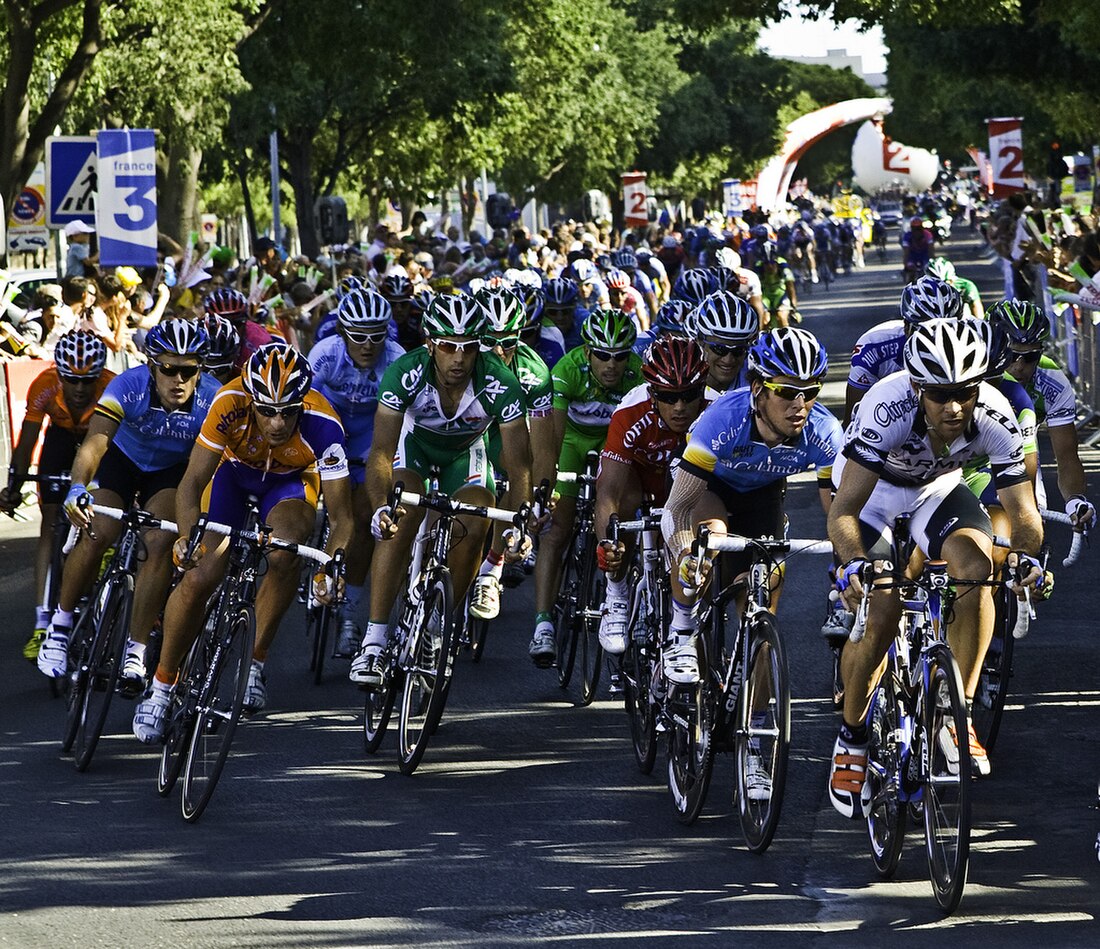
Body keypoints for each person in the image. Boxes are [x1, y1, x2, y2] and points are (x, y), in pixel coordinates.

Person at [827, 319, 1044, 817]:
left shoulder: (995, 413)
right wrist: (857, 563)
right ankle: (852, 735)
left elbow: (1023, 509)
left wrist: (1028, 558)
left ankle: (956, 715)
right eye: (940, 394)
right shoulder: (888, 407)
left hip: (935, 489)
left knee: (978, 565)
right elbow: (842, 512)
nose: (953, 407)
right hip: (872, 494)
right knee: (882, 603)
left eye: (964, 392)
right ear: (918, 388)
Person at [131, 342, 353, 740]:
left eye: (288, 411)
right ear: (251, 399)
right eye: (266, 410)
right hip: (232, 476)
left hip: (289, 484)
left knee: (286, 552)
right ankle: (161, 688)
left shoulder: (325, 424)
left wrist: (329, 565)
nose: (276, 423)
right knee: (200, 576)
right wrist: (186, 537)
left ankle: (254, 663)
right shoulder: (229, 399)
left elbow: (341, 517)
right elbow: (191, 483)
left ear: (303, 403)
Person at [349, 293, 531, 689]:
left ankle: (438, 624)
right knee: (402, 515)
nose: (459, 359)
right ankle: (375, 640)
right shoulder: (405, 372)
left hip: (465, 455)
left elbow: (519, 468)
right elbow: (380, 452)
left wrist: (521, 523)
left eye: (468, 348)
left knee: (477, 518)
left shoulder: (501, 381)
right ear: (430, 343)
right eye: (448, 346)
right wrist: (381, 506)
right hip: (414, 449)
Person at [38, 319, 218, 695]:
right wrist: (76, 488)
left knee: (159, 543)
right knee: (99, 529)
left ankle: (134, 651)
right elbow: (94, 443)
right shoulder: (128, 386)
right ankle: (60, 624)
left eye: (189, 370)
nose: (178, 380)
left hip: (169, 473)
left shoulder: (210, 401)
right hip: (121, 462)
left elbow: (208, 472)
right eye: (169, 369)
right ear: (153, 366)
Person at [661, 328, 840, 688]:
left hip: (763, 493)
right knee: (711, 537)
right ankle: (681, 630)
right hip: (710, 487)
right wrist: (685, 553)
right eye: (787, 392)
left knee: (761, 601)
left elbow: (839, 512)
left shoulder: (826, 432)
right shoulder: (723, 420)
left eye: (811, 393)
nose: (800, 405)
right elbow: (678, 508)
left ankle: (754, 727)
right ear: (757, 388)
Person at [529, 308, 643, 666]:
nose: (611, 365)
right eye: (603, 356)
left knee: (625, 520)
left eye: (620, 356)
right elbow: (553, 436)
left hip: (615, 445)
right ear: (588, 351)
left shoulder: (638, 373)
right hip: (572, 443)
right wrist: (550, 485)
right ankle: (543, 623)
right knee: (558, 529)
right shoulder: (566, 369)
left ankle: (621, 598)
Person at [0, 332, 113, 659]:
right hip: (61, 438)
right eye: (71, 380)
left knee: (101, 509)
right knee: (50, 520)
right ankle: (42, 623)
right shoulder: (44, 385)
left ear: (100, 375)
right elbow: (27, 442)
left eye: (87, 380)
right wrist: (14, 485)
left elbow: (124, 447)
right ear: (59, 374)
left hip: (102, 439)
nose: (79, 389)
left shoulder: (112, 387)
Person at [594, 334, 709, 653]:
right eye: (668, 397)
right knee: (625, 500)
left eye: (689, 395)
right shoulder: (631, 411)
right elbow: (608, 492)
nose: (680, 406)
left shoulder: (716, 408)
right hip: (638, 478)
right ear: (652, 392)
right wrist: (609, 542)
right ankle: (616, 595)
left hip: (685, 481)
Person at [309, 287, 406, 655]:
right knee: (328, 508)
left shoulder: (395, 359)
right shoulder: (325, 353)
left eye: (376, 336)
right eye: (359, 336)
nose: (368, 345)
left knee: (366, 517)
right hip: (329, 426)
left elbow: (403, 419)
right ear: (342, 332)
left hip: (370, 436)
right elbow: (302, 402)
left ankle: (349, 613)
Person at [470, 287, 554, 619]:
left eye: (510, 341)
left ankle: (491, 569)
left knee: (517, 473)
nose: (500, 350)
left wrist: (539, 498)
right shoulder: (458, 361)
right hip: (460, 432)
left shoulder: (534, 372)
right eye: (489, 341)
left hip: (502, 431)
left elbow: (544, 448)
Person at [987, 299, 1096, 530]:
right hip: (969, 454)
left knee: (1029, 527)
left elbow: (1066, 456)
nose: (1018, 366)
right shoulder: (973, 370)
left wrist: (1075, 500)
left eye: (1029, 357)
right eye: (1011, 354)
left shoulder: (1054, 384)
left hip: (1022, 449)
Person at [843, 275, 964, 425]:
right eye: (926, 331)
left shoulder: (975, 342)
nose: (938, 339)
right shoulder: (872, 348)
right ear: (906, 327)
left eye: (949, 329)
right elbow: (853, 421)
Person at [689, 290, 760, 398]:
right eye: (719, 349)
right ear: (700, 343)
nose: (728, 360)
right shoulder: (683, 379)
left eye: (738, 350)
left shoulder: (755, 380)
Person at [754, 242, 798, 329]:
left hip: (780, 295)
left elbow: (790, 286)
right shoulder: (758, 267)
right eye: (766, 264)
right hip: (765, 296)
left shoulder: (783, 265)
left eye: (772, 263)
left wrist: (794, 306)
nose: (770, 266)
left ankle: (785, 339)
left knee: (781, 317)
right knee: (765, 320)